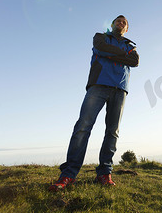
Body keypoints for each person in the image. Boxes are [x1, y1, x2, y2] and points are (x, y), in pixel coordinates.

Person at [49, 15, 139, 191]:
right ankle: (68, 174)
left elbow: (135, 61)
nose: (121, 23)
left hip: (120, 89)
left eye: (124, 23)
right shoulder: (101, 37)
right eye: (118, 21)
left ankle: (104, 173)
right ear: (112, 25)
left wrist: (111, 54)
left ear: (127, 29)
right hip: (98, 85)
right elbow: (100, 48)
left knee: (112, 132)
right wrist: (121, 55)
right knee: (83, 127)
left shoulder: (130, 46)